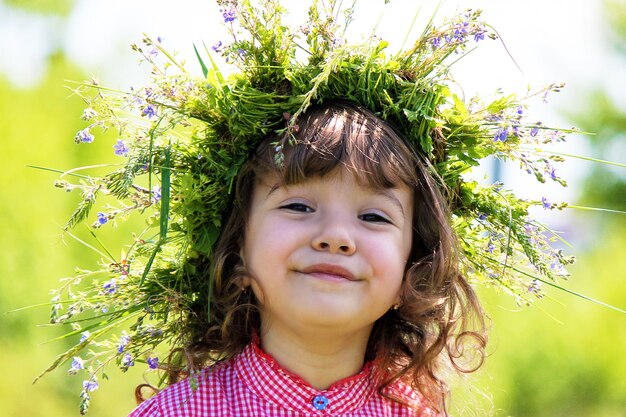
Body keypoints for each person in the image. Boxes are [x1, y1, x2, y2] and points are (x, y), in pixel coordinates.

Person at [128, 100, 486, 417]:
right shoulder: (175, 411)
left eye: (374, 217)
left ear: (413, 268)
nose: (335, 237)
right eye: (298, 206)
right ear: (237, 251)